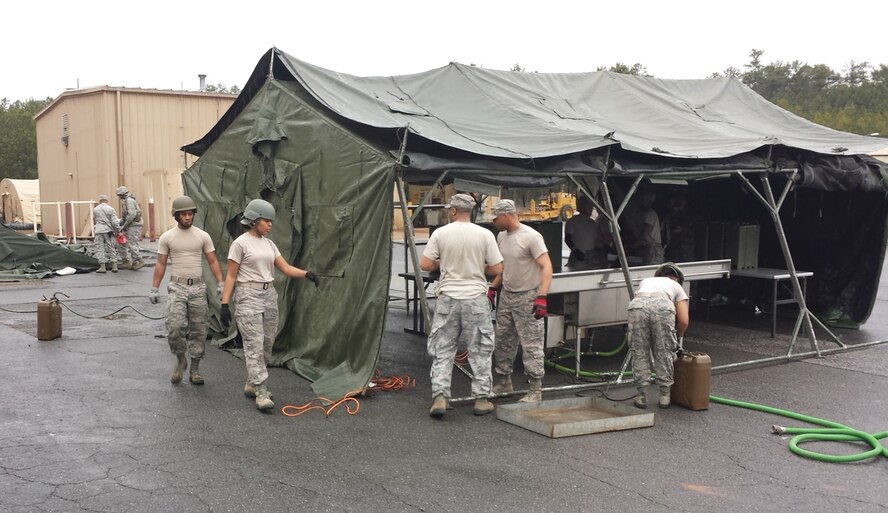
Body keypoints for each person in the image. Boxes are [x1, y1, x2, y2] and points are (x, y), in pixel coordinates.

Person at [219, 199, 319, 412]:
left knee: (266, 343)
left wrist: (307, 274)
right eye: (266, 220)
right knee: (254, 343)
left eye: (271, 221)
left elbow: (285, 267)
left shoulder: (269, 244)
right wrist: (224, 304)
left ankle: (251, 382)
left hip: (268, 294)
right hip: (248, 295)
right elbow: (230, 276)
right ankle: (261, 390)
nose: (270, 224)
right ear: (254, 220)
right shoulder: (240, 244)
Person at [420, 193, 503, 419]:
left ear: (454, 211)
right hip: (475, 297)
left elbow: (425, 263)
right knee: (480, 348)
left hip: (448, 296)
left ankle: (440, 397)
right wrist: (478, 266)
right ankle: (481, 399)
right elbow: (497, 269)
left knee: (443, 348)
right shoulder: (485, 234)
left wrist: (444, 262)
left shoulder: (441, 233)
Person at [150, 196, 225, 386]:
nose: (187, 217)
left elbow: (213, 260)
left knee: (199, 330)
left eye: (190, 213)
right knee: (174, 327)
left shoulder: (202, 236)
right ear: (176, 215)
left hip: (198, 288)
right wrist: (154, 288)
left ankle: (195, 369)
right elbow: (161, 263)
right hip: (177, 287)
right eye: (184, 214)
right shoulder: (167, 237)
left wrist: (221, 283)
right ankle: (180, 358)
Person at [488, 199, 553, 403]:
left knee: (531, 344)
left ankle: (535, 389)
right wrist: (493, 287)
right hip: (507, 295)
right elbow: (505, 267)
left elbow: (546, 266)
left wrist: (542, 296)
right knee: (503, 340)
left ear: (506, 215)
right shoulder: (501, 236)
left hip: (528, 296)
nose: (494, 222)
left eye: (496, 218)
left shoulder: (531, 237)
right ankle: (504, 380)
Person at [627, 262, 689, 409]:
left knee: (640, 350)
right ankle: (664, 397)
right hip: (662, 306)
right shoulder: (677, 286)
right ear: (676, 277)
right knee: (664, 350)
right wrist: (675, 337)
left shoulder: (646, 281)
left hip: (637, 305)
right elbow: (684, 321)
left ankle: (641, 396)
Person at [564, 195, 610, 271]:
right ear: (583, 207)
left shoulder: (591, 223)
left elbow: (598, 241)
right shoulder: (573, 222)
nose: (591, 210)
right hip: (579, 259)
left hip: (587, 258)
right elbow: (568, 239)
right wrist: (576, 251)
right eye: (590, 207)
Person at [115, 186, 145, 270]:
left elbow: (131, 215)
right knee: (120, 243)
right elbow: (125, 217)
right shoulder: (126, 202)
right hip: (130, 224)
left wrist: (124, 226)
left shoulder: (129, 201)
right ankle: (126, 261)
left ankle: (139, 260)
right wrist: (119, 224)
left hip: (134, 225)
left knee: (132, 243)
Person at [92, 194, 120, 273]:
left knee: (100, 248)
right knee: (111, 247)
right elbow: (114, 221)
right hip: (108, 231)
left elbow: (94, 220)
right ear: (107, 201)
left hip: (99, 230)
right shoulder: (110, 209)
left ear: (100, 201)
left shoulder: (95, 209)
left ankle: (102, 267)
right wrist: (118, 230)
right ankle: (114, 266)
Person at [635, 191, 664, 265]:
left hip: (652, 248)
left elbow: (646, 233)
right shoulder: (646, 213)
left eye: (643, 200)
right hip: (650, 248)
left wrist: (635, 245)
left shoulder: (650, 214)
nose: (641, 202)